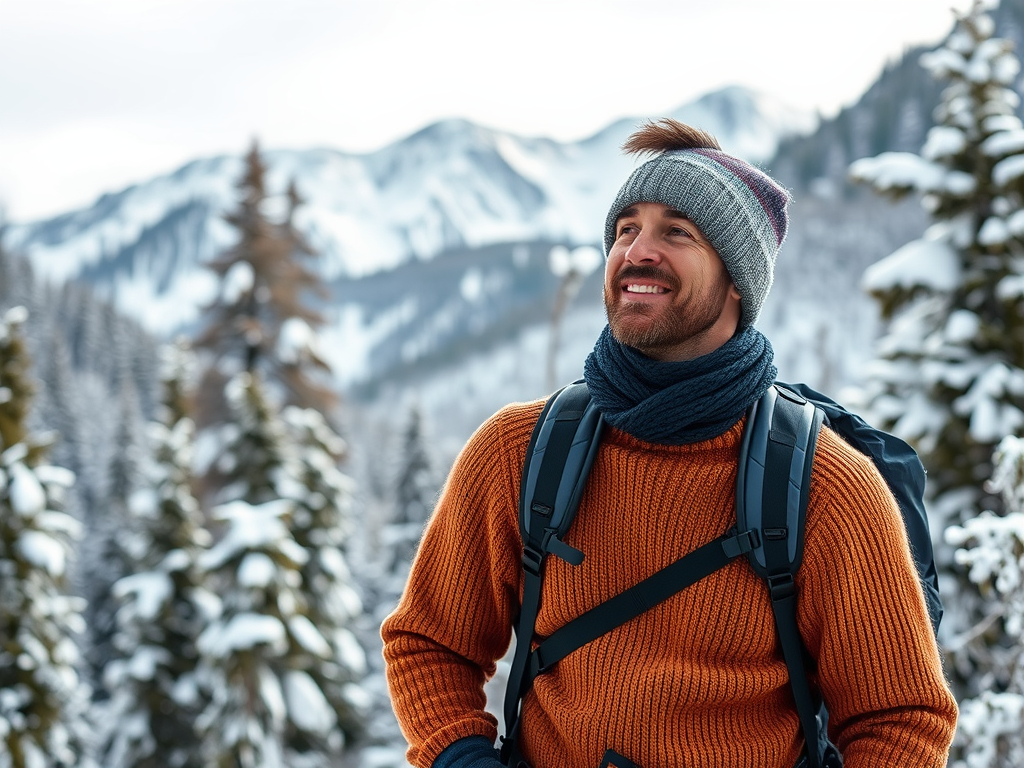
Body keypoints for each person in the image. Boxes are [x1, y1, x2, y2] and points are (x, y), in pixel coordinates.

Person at [381, 119, 958, 768]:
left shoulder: (827, 486)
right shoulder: (518, 452)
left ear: (737, 280)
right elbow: (429, 644)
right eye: (625, 229)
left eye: (676, 232)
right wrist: (463, 760)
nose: (637, 250)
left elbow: (900, 719)